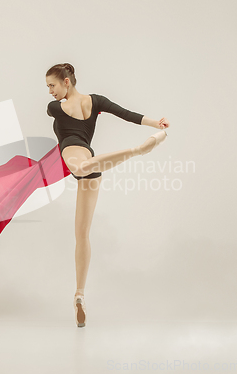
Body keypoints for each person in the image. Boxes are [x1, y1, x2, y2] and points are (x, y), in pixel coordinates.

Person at [45, 63, 170, 327]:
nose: (50, 92)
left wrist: (152, 123)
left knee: (79, 166)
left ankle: (137, 151)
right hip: (95, 161)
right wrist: (155, 122)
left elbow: (120, 115)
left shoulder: (55, 108)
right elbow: (126, 114)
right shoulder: (97, 101)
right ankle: (79, 294)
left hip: (75, 153)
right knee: (82, 234)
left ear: (66, 81)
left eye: (52, 86)